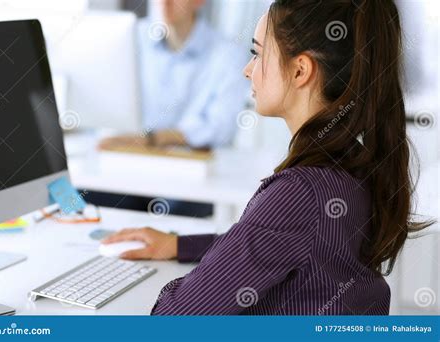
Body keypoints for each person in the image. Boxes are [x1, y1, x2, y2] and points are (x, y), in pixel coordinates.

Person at [103, 0, 433, 315]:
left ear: (300, 70)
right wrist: (179, 246)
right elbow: (272, 241)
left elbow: (176, 317)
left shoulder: (300, 193)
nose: (248, 70)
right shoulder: (352, 161)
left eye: (257, 54)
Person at [99, 0, 249, 150]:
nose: (165, 2)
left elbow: (222, 129)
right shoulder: (132, 37)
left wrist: (152, 139)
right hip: (126, 155)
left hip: (193, 163)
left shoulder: (228, 55)